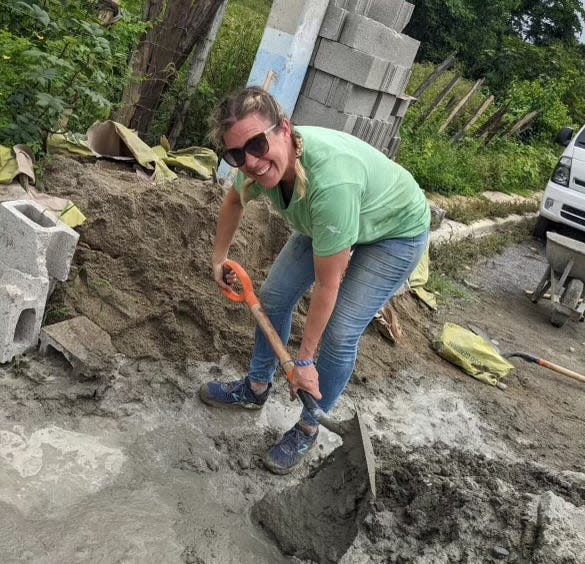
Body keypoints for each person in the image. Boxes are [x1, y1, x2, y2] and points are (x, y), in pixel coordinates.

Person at [199, 86, 430, 474]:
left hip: (395, 232)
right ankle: (256, 388)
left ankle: (309, 425)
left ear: (284, 130)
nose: (251, 162)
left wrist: (304, 360)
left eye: (257, 144)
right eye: (236, 154)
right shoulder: (256, 169)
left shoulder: (331, 184)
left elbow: (328, 285)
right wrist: (219, 256)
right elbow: (233, 201)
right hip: (327, 220)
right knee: (272, 298)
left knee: (340, 334)